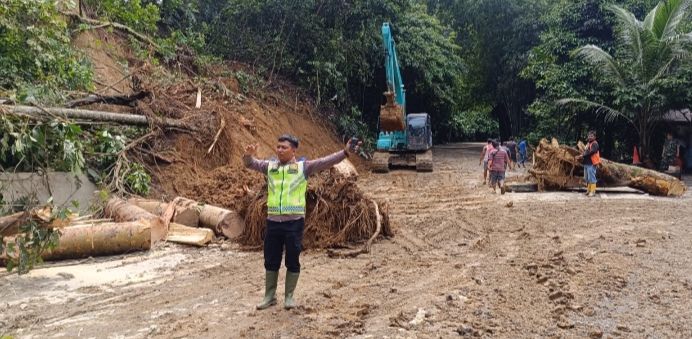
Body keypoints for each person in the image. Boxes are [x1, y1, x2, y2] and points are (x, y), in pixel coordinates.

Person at [244, 134, 361, 310]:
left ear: (293, 150)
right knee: (271, 259)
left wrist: (345, 152)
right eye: (278, 147)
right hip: (273, 222)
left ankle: (289, 297)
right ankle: (269, 296)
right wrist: (248, 155)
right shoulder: (270, 167)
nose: (279, 150)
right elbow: (250, 164)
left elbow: (325, 162)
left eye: (284, 147)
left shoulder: (303, 168)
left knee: (292, 259)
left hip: (294, 223)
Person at [576, 130, 601, 197]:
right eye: (589, 136)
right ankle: (589, 190)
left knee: (592, 177)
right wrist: (581, 155)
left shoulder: (595, 143)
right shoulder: (588, 144)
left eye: (591, 136)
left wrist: (582, 156)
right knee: (586, 178)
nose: (590, 137)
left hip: (592, 163)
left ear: (595, 137)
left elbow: (591, 152)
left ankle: (592, 191)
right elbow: (586, 152)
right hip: (587, 163)